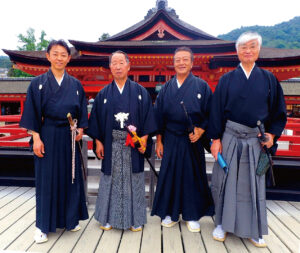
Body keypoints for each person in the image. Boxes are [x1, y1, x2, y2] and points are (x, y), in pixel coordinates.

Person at [207, 32, 287, 247]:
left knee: (254, 184)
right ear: (237, 51)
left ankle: (253, 228)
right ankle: (221, 223)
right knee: (225, 181)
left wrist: (272, 134)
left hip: (255, 139)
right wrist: (215, 138)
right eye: (243, 47)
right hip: (230, 135)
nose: (248, 51)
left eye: (252, 46)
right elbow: (215, 111)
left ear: (258, 50)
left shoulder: (269, 79)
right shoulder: (226, 80)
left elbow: (279, 111)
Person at [20, 40, 89, 243]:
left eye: (63, 54)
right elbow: (32, 112)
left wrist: (81, 128)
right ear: (48, 56)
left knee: (70, 178)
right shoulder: (37, 83)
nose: (59, 58)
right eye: (55, 54)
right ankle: (43, 226)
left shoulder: (75, 85)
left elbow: (82, 110)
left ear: (69, 58)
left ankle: (70, 220)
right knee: (47, 180)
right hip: (47, 133)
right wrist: (36, 137)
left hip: (68, 135)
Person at [86, 50, 156, 231]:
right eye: (114, 63)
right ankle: (107, 217)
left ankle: (136, 218)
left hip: (133, 144)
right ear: (110, 67)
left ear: (128, 66)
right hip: (111, 144)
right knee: (111, 180)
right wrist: (98, 142)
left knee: (135, 179)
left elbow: (148, 118)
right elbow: (96, 120)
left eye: (121, 63)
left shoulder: (140, 92)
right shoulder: (103, 94)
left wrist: (144, 139)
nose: (117, 67)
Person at [151, 47, 214, 232]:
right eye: (178, 59)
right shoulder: (166, 89)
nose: (181, 63)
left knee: (192, 176)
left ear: (192, 63)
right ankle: (170, 212)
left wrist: (201, 130)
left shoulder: (202, 86)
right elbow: (159, 116)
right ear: (173, 63)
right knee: (169, 175)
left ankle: (192, 214)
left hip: (192, 139)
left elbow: (211, 112)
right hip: (170, 137)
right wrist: (160, 140)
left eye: (185, 59)